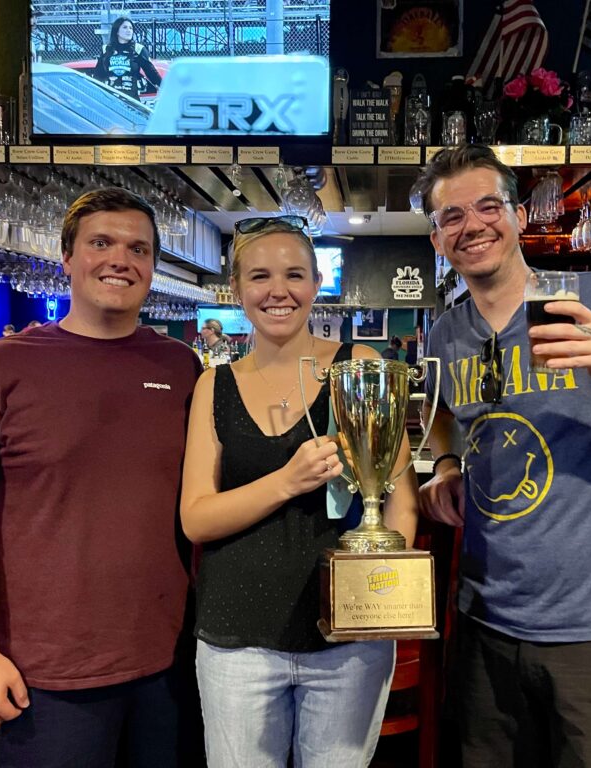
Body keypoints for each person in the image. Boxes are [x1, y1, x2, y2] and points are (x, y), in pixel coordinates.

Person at [0, 188, 202, 766]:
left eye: (138, 248)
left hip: (173, 666)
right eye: (102, 243)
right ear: (67, 258)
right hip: (49, 673)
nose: (121, 259)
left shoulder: (181, 367)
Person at [418, 144, 591, 768]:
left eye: (488, 206)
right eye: (450, 216)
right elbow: (443, 421)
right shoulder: (446, 333)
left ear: (517, 216)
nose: (472, 225)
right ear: (436, 238)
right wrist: (449, 467)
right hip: (485, 625)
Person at [181, 214, 420, 767]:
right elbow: (197, 518)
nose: (278, 291)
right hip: (236, 636)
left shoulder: (360, 367)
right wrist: (287, 481)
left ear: (316, 284)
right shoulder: (212, 385)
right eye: (260, 276)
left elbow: (400, 499)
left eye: (295, 275)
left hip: (347, 638)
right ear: (236, 289)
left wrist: (380, 595)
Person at [93, 17, 162, 102]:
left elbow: (152, 74)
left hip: (131, 101)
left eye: (131, 28)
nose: (129, 30)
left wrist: (167, 89)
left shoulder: (138, 49)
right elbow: (97, 76)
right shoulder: (106, 49)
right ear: (117, 31)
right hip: (110, 100)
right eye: (125, 27)